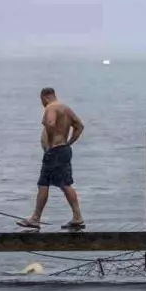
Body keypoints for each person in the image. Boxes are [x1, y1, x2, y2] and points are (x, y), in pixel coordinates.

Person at [18, 87, 86, 230]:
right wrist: (69, 142)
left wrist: (50, 142)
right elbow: (79, 126)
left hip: (55, 151)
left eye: (41, 100)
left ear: (45, 97)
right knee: (57, 183)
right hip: (64, 150)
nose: (42, 103)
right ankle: (76, 216)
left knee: (52, 184)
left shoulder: (51, 107)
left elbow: (50, 123)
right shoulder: (66, 108)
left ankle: (37, 219)